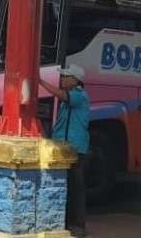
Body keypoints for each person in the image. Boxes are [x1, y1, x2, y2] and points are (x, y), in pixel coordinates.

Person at [41, 64, 90, 238]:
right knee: (66, 187)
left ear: (76, 81)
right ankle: (66, 222)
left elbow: (61, 94)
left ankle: (78, 225)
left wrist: (41, 82)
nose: (62, 79)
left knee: (76, 188)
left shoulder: (80, 96)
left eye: (66, 76)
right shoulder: (71, 98)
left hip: (76, 149)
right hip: (64, 148)